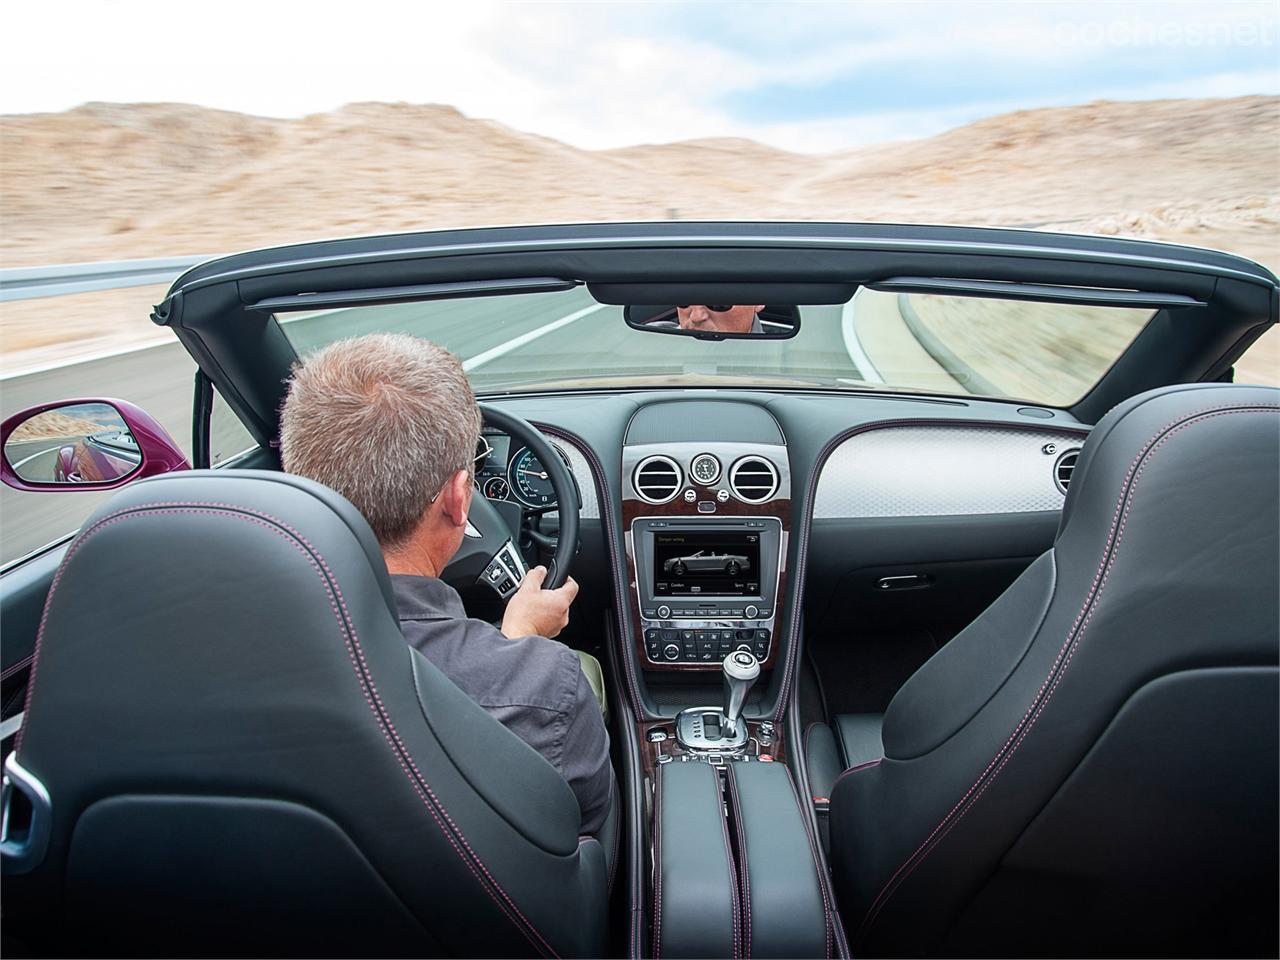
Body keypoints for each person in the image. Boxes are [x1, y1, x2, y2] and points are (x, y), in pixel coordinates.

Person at [279, 333, 613, 835]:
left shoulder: (210, 653)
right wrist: (515, 650)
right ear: (460, 500)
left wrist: (509, 646)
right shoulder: (546, 687)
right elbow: (585, 821)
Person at [675, 304, 765, 335]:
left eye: (719, 303)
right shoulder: (661, 343)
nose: (696, 317)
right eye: (684, 299)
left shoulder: (777, 360)